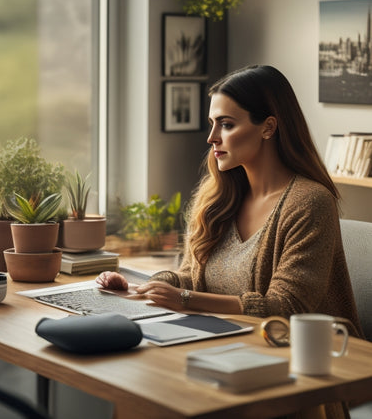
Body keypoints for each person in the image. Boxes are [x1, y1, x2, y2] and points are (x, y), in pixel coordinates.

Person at [97, 65, 362, 336]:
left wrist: (185, 300)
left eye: (226, 124)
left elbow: (287, 307)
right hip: (231, 340)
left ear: (268, 127)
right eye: (213, 124)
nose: (212, 137)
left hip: (313, 355)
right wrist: (141, 288)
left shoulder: (310, 202)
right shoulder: (216, 197)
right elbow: (191, 277)